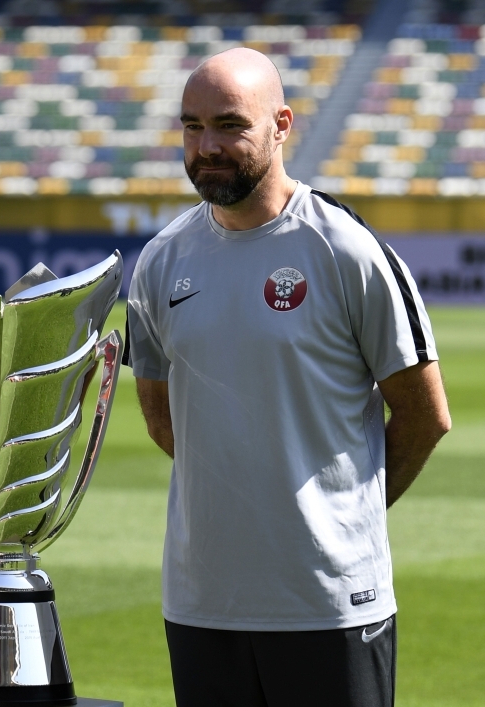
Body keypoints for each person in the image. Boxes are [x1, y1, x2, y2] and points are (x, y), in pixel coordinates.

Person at [125, 48, 451, 707]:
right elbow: (162, 419)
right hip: (202, 604)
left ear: (281, 125)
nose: (208, 145)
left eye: (229, 125)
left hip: (328, 603)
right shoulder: (161, 262)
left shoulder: (345, 250)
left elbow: (425, 414)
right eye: (192, 127)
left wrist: (342, 516)